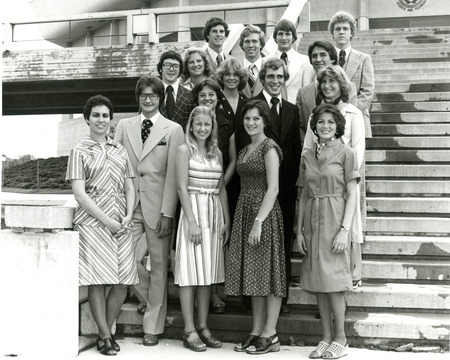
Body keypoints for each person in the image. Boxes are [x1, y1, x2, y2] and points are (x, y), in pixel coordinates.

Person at [114, 75, 184, 346]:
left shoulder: (173, 129)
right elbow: (117, 166)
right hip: (128, 208)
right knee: (124, 261)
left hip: (159, 208)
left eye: (153, 95)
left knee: (159, 268)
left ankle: (152, 327)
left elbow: (172, 175)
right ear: (138, 97)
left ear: (160, 98)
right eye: (143, 95)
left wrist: (168, 212)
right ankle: (148, 299)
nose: (148, 99)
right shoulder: (124, 125)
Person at [66, 95, 138, 356]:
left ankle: (104, 331)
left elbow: (130, 185)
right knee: (98, 281)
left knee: (121, 282)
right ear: (87, 119)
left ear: (111, 120)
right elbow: (79, 194)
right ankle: (106, 336)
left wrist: (129, 214)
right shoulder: (79, 150)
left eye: (105, 116)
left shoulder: (120, 150)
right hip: (93, 224)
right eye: (95, 115)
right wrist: (107, 220)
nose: (100, 120)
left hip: (121, 223)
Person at [235, 58, 301, 314]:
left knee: (279, 250)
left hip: (281, 192)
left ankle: (278, 302)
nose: (275, 81)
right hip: (252, 189)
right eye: (271, 76)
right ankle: (249, 304)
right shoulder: (250, 110)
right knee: (252, 250)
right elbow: (244, 147)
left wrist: (289, 189)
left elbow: (293, 151)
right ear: (262, 78)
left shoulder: (292, 109)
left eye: (280, 77)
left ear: (285, 80)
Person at [296, 104, 360, 359]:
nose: (325, 126)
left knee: (334, 282)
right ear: (314, 126)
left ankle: (341, 338)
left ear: (338, 126)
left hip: (335, 219)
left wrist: (345, 230)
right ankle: (325, 336)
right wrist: (299, 231)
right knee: (318, 281)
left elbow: (353, 193)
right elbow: (302, 195)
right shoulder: (307, 156)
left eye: (331, 122)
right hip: (312, 220)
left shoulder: (347, 153)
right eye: (321, 122)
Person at [226, 100, 285, 355]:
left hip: (264, 215)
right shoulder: (244, 149)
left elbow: (273, 188)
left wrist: (259, 222)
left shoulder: (269, 147)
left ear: (265, 121)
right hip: (244, 211)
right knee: (254, 273)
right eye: (247, 118)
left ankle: (270, 333)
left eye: (256, 119)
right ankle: (257, 329)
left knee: (269, 274)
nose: (251, 123)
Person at [302, 65, 365, 289]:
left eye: (333, 82)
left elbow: (357, 153)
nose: (328, 86)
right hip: (318, 183)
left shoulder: (354, 114)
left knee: (346, 232)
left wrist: (335, 165)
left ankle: (347, 280)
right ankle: (324, 285)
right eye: (324, 83)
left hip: (341, 181)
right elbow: (307, 149)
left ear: (342, 85)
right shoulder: (315, 115)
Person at [174, 105, 231, 352]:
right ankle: (189, 330)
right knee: (189, 274)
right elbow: (180, 188)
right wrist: (192, 221)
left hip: (213, 212)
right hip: (193, 213)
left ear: (212, 127)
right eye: (198, 124)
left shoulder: (216, 153)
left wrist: (226, 220)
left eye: (207, 124)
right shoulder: (184, 150)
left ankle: (203, 326)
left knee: (207, 274)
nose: (203, 128)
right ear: (191, 125)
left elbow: (222, 189)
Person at [191, 78, 237, 314]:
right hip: (196, 194)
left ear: (218, 98)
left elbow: (232, 158)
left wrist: (219, 184)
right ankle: (203, 296)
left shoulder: (227, 124)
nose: (207, 98)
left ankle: (217, 292)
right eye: (202, 95)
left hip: (219, 188)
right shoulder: (191, 128)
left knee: (217, 247)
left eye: (211, 95)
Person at [297, 40, 357, 143]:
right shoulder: (302, 93)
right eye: (314, 56)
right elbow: (301, 126)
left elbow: (352, 124)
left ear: (333, 59)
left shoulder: (348, 87)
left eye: (323, 55)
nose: (318, 59)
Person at [329, 11, 374, 138]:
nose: (341, 32)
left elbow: (368, 92)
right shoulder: (326, 59)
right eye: (337, 29)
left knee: (357, 157)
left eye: (345, 29)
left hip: (357, 118)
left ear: (352, 33)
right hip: (330, 119)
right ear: (332, 33)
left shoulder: (364, 58)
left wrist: (348, 112)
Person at [269, 19, 314, 104]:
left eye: (288, 34)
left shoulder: (305, 61)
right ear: (275, 38)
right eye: (280, 34)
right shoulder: (266, 61)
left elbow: (306, 92)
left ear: (293, 38)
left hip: (295, 111)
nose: (284, 38)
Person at [157, 50, 194, 127]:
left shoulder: (191, 96)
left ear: (180, 70)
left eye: (176, 66)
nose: (171, 69)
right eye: (167, 65)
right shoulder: (152, 93)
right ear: (161, 68)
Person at [239, 24, 266, 98]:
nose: (251, 45)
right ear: (242, 45)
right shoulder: (235, 70)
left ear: (261, 44)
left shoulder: (269, 68)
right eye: (247, 41)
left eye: (254, 41)